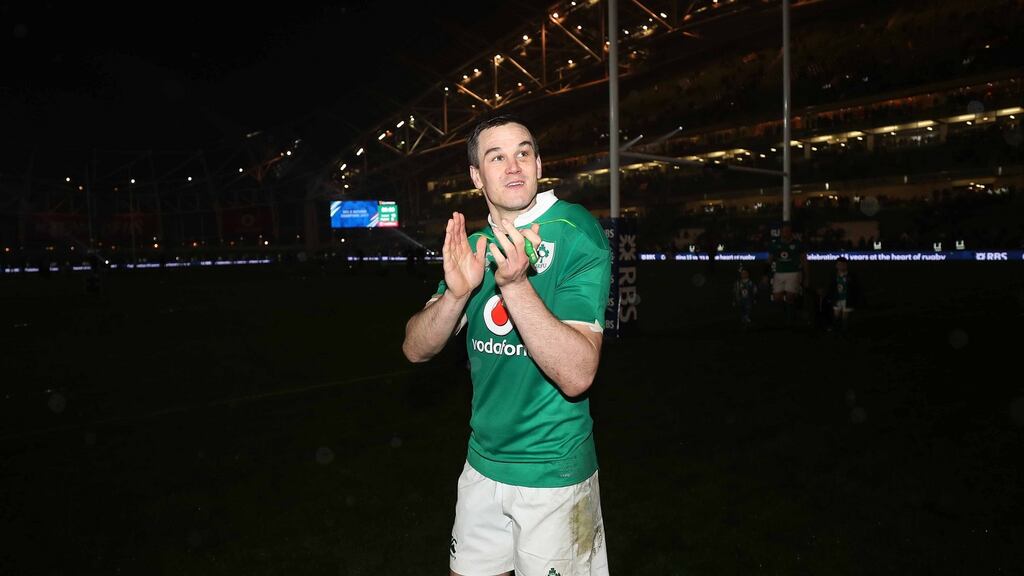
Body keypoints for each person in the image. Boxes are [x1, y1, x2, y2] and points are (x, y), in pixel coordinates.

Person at [402, 114, 611, 576]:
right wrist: (456, 295)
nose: (514, 166)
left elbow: (578, 376)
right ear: (477, 176)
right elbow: (416, 348)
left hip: (553, 474)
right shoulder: (474, 246)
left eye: (523, 152)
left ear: (539, 164)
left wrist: (515, 285)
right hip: (482, 465)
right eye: (497, 157)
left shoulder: (575, 230)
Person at [767, 222, 809, 324]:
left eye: (787, 231)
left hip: (793, 272)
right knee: (777, 297)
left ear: (791, 232)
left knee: (790, 296)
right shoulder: (775, 244)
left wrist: (807, 276)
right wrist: (765, 274)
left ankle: (790, 319)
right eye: (783, 231)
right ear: (780, 232)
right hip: (779, 272)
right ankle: (785, 313)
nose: (785, 233)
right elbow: (769, 260)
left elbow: (804, 260)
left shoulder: (798, 244)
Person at [827, 256, 861, 332]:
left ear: (846, 265)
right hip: (837, 299)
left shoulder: (851, 276)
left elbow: (856, 288)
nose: (841, 266)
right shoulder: (834, 275)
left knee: (845, 319)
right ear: (836, 265)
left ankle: (844, 333)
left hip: (848, 299)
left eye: (843, 264)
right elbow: (831, 287)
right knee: (836, 317)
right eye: (839, 264)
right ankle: (836, 332)